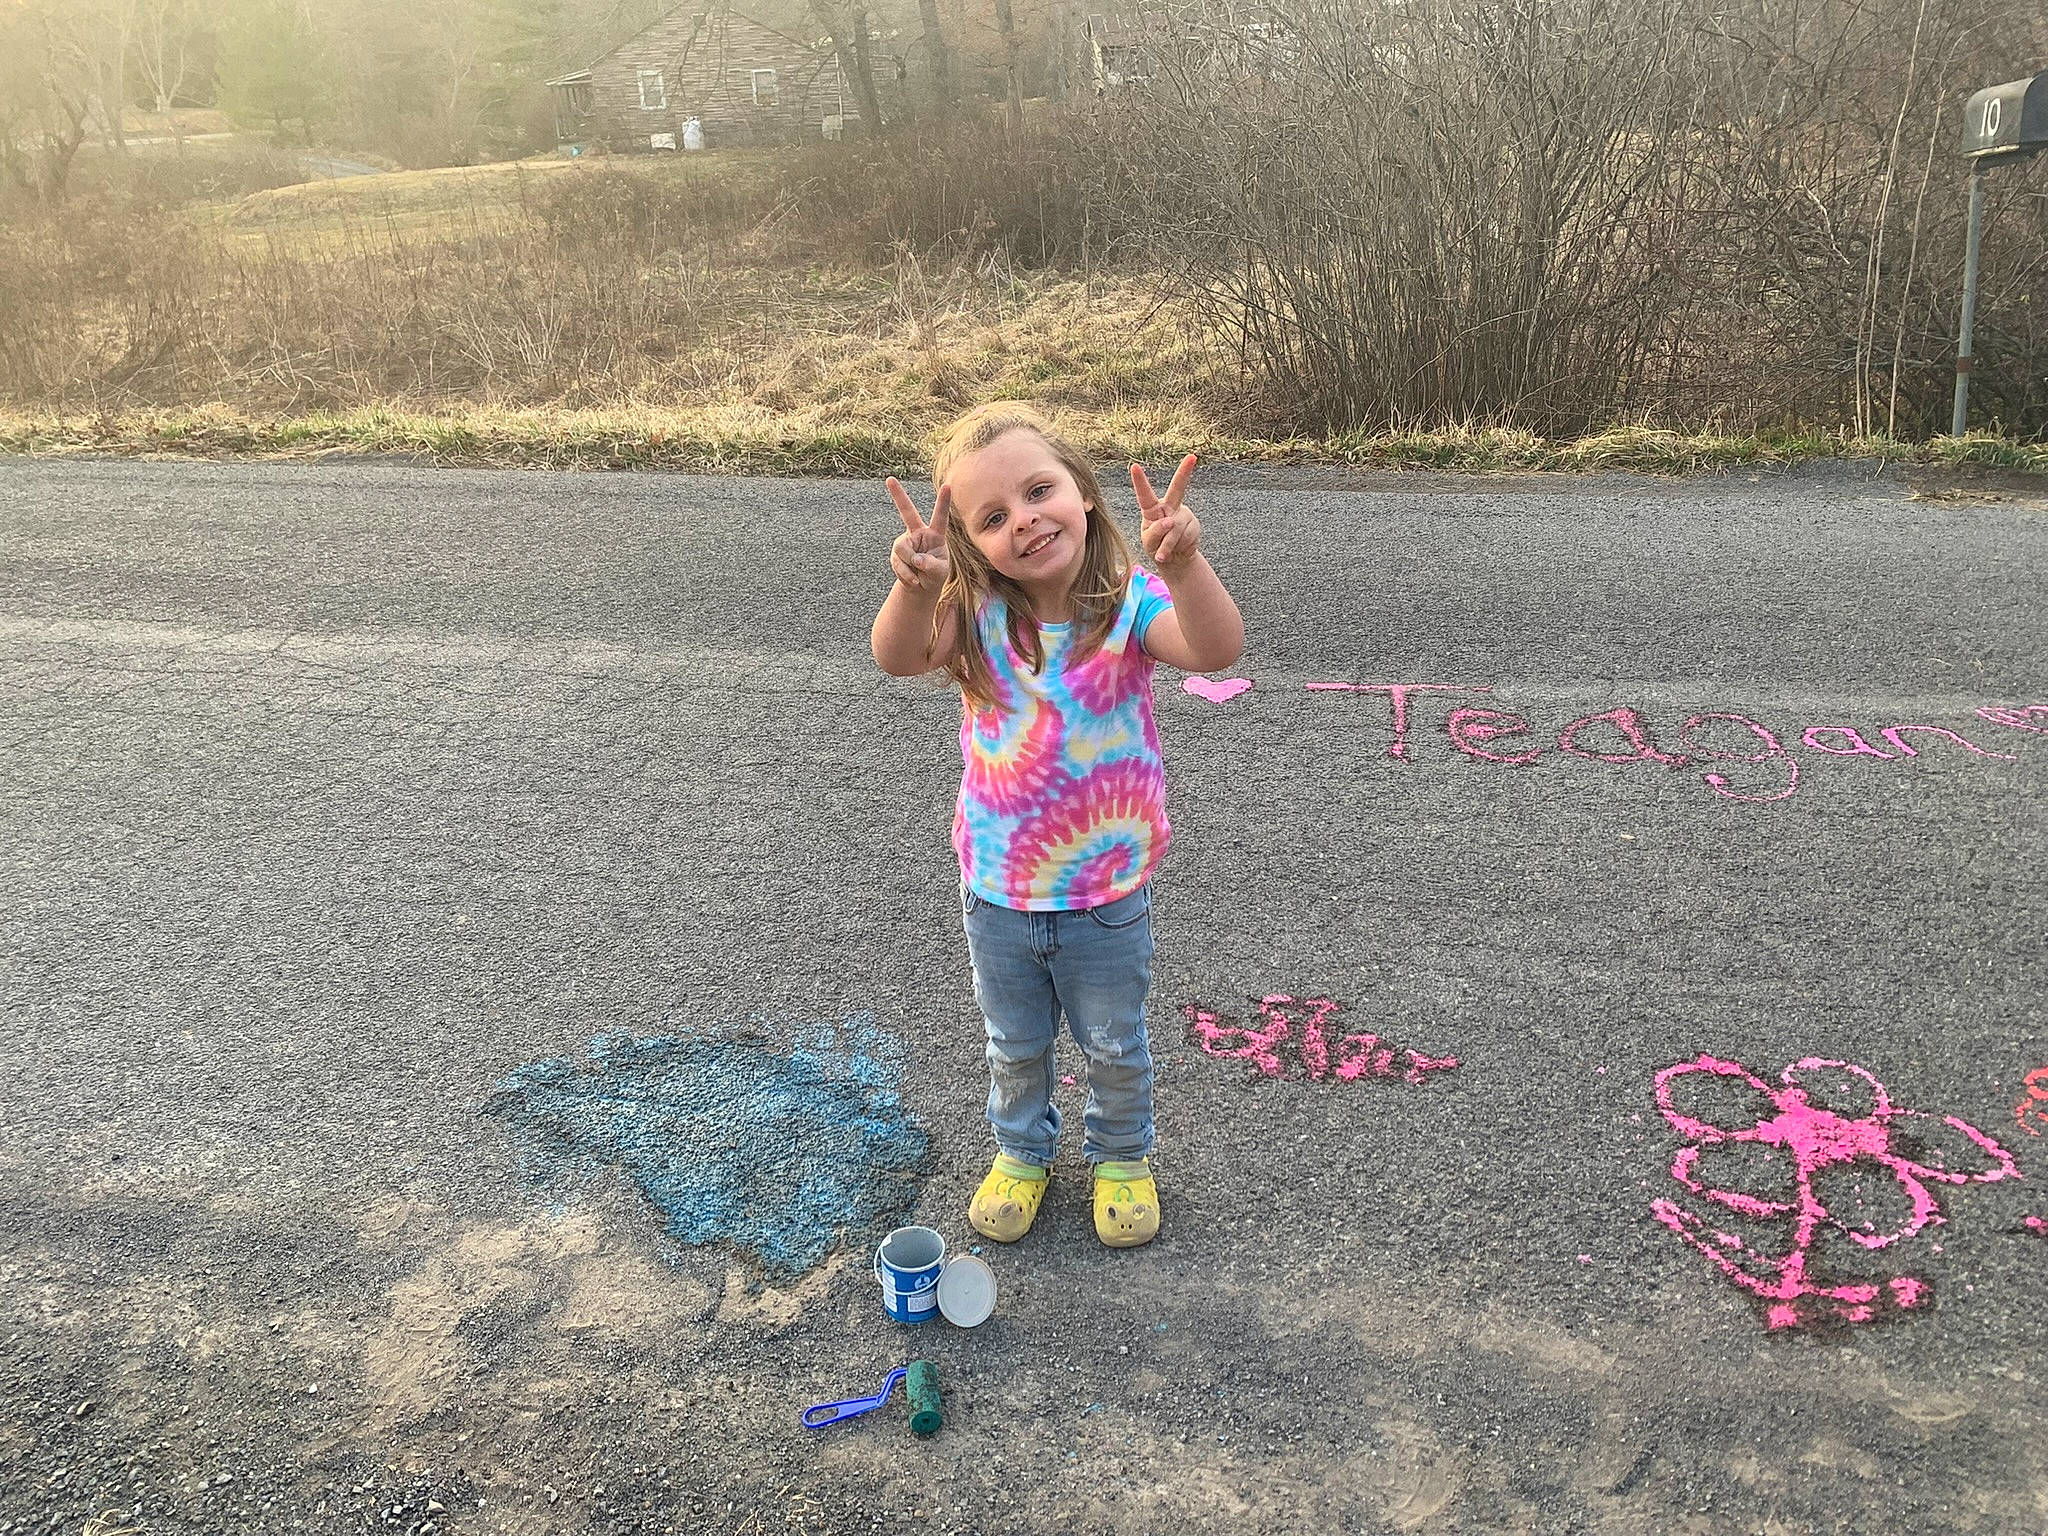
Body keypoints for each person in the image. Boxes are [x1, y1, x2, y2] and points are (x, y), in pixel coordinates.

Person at [869, 403, 1245, 1249]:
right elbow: (896, 657)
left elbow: (1214, 648)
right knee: (1015, 1045)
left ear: (1081, 490)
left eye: (1040, 490)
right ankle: (1021, 1154)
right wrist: (914, 586)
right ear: (969, 545)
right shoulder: (970, 615)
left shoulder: (1131, 606)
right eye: (994, 517)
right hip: (997, 894)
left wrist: (1186, 567)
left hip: (1107, 894)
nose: (1026, 520)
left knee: (1114, 1043)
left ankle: (1120, 1157)